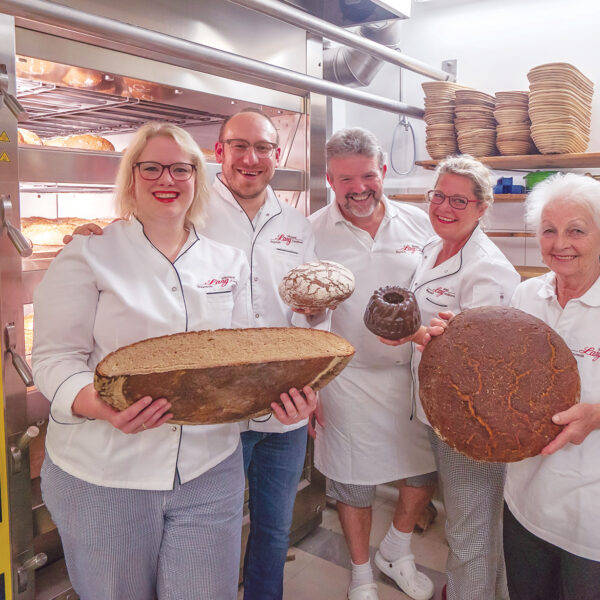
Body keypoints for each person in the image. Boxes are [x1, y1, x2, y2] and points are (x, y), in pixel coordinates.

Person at [63, 109, 322, 600]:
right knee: (208, 537)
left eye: (264, 148)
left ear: (277, 155)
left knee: (271, 530)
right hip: (211, 420)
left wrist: (313, 374)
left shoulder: (295, 224)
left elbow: (301, 317)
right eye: (238, 146)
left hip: (280, 407)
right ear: (218, 153)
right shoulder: (191, 209)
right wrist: (102, 234)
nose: (251, 158)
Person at [33, 122, 252, 600]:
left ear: (198, 177)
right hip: (106, 473)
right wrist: (96, 403)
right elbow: (53, 358)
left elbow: (240, 364)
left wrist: (273, 401)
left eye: (180, 168)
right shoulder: (88, 254)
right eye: (150, 167)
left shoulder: (228, 262)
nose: (166, 179)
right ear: (130, 179)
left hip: (209, 469)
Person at [382, 154, 520, 600]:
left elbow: (483, 361)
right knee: (471, 526)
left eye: (458, 200)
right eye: (438, 195)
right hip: (435, 410)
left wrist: (414, 334)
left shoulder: (490, 270)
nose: (443, 206)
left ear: (482, 208)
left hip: (470, 421)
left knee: (470, 533)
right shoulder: (431, 246)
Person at [309, 127, 438, 600]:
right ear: (330, 180)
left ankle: (397, 550)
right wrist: (312, 386)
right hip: (348, 378)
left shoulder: (420, 224)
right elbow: (305, 317)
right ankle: (361, 572)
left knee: (423, 472)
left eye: (368, 175)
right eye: (346, 179)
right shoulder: (312, 231)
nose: (359, 188)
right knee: (353, 483)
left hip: (412, 375)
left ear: (382, 172)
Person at [502, 172, 600, 600]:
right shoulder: (525, 296)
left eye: (576, 230)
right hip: (524, 499)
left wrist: (598, 415)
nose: (560, 243)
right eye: (549, 230)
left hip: (590, 517)